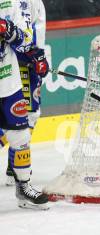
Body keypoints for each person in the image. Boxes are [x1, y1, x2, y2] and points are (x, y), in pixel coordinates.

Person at [0, 1, 49, 209]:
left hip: (9, 81)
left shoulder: (10, 2)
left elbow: (22, 37)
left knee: (21, 135)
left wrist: (35, 54)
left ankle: (24, 187)